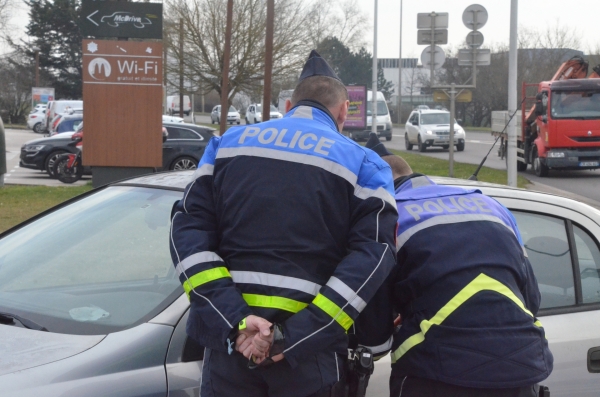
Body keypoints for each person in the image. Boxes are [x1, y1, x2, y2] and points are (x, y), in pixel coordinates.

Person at [169, 50, 398, 397]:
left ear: (290, 104)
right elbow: (373, 259)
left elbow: (186, 234)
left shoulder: (226, 145)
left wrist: (236, 321)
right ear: (343, 112)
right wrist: (296, 336)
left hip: (231, 353)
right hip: (309, 361)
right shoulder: (365, 164)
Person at [367, 140, 553, 397]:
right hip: (522, 368)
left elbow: (374, 333)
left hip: (437, 374)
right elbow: (531, 298)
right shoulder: (492, 207)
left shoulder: (388, 215)